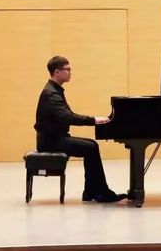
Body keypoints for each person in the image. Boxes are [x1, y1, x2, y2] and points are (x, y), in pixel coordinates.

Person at [34, 56, 127, 203]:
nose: (70, 72)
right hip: (51, 141)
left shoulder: (54, 90)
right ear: (57, 72)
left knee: (91, 146)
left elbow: (67, 115)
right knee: (91, 147)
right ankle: (100, 193)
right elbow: (67, 117)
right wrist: (93, 120)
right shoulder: (51, 94)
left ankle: (91, 192)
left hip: (55, 138)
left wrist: (92, 120)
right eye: (67, 69)